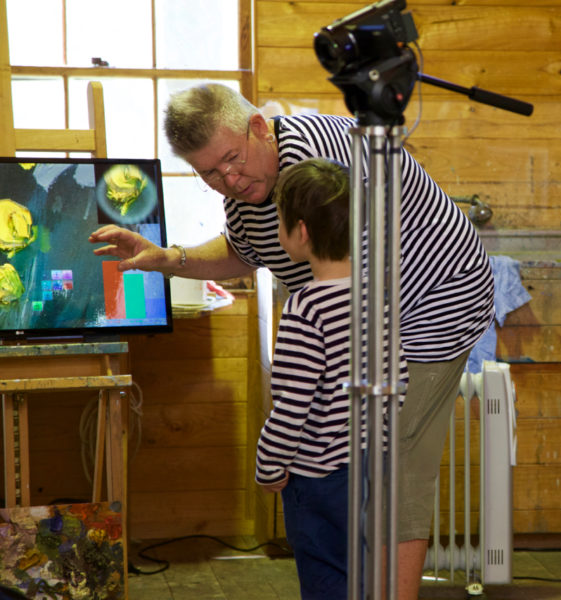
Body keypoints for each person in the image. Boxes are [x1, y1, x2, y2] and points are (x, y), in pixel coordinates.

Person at [89, 83, 494, 599]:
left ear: (259, 127)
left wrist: (274, 459)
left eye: (233, 159)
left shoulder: (323, 164)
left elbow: (296, 398)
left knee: (398, 468)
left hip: (434, 306)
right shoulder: (254, 195)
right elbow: (244, 249)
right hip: (368, 320)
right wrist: (169, 259)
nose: (229, 180)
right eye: (209, 172)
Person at [255, 157, 407, 599]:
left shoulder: (305, 308)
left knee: (326, 581)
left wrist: (269, 467)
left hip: (318, 480)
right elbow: (396, 386)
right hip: (372, 471)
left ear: (299, 232)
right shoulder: (378, 299)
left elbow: (291, 406)